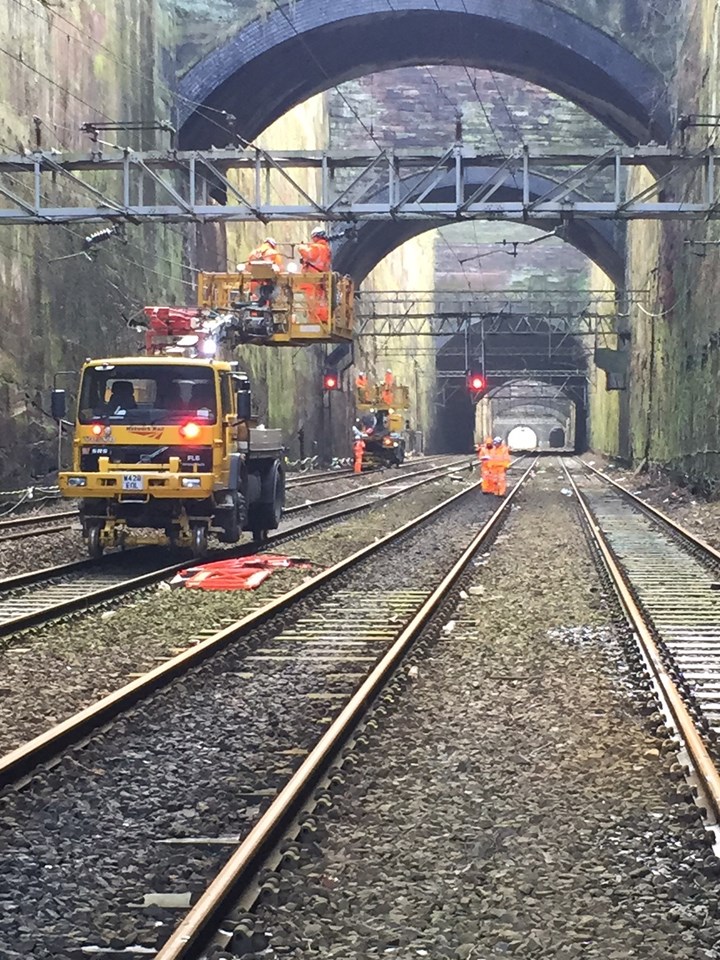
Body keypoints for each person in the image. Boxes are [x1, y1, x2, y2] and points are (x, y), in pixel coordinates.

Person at [297, 228, 332, 323]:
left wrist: (301, 247)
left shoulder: (317, 247)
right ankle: (322, 320)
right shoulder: (326, 248)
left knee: (310, 301)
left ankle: (314, 320)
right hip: (320, 278)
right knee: (320, 301)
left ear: (315, 236)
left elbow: (309, 254)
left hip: (311, 279)